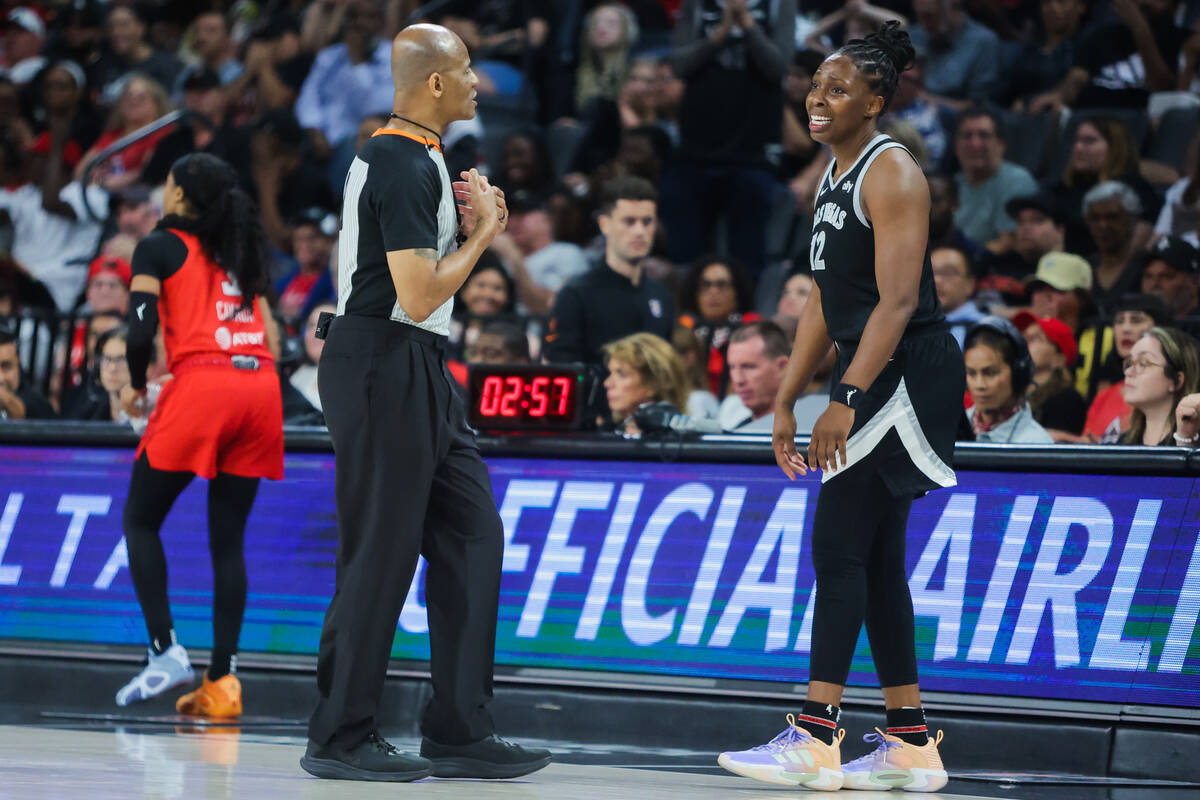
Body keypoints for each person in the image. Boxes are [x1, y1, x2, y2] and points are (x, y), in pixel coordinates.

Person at [301, 24, 551, 783]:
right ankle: (339, 735)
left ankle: (459, 728)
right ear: (435, 83)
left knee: (474, 533)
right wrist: (486, 240)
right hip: (382, 357)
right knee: (380, 550)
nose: (481, 83)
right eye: (468, 70)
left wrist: (471, 231)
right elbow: (417, 293)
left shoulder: (419, 159)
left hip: (416, 364)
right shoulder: (401, 160)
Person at [718, 24, 959, 792]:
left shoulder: (892, 172)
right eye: (815, 86)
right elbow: (826, 296)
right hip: (870, 369)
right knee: (879, 558)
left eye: (839, 89)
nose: (818, 100)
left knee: (840, 546)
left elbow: (893, 301)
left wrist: (844, 398)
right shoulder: (835, 171)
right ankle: (911, 742)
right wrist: (789, 396)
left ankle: (817, 733)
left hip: (903, 370)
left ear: (878, 101)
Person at [113, 153, 284, 720]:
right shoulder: (237, 248)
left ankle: (163, 650)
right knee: (227, 539)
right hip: (260, 388)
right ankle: (223, 681)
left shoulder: (159, 245)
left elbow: (139, 334)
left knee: (140, 519)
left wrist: (138, 387)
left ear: (181, 194)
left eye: (166, 184)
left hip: (204, 384)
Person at [544, 176, 673, 366]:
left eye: (647, 222)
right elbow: (562, 367)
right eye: (629, 221)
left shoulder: (661, 296)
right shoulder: (575, 295)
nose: (639, 231)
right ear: (604, 224)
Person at [952, 106, 1038, 252]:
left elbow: (1007, 244)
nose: (975, 144)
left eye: (984, 135)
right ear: (956, 146)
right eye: (967, 136)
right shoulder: (954, 183)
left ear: (1001, 144)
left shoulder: (1016, 180)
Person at [1083, 293, 1166, 442]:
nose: (1125, 329)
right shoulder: (1104, 396)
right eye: (1119, 321)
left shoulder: (1164, 393)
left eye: (1136, 320)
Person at [677, 255, 761, 397]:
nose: (713, 292)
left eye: (721, 285)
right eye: (706, 285)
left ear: (737, 291)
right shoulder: (684, 326)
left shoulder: (753, 326)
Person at [961, 317, 1053, 443]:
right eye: (971, 373)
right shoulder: (947, 429)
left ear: (1018, 375)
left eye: (990, 373)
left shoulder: (1036, 442)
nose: (979, 385)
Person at [1013, 310, 1087, 439]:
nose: (1024, 343)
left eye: (1036, 338)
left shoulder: (1066, 400)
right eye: (1023, 336)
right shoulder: (1009, 391)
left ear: (1059, 359)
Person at [1119, 327, 1200, 446]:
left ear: (1177, 380)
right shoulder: (1123, 442)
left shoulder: (1195, 439)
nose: (1128, 372)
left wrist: (1185, 440)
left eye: (1143, 363)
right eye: (1130, 363)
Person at [601, 331, 690, 434]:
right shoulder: (604, 432)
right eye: (610, 373)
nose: (607, 383)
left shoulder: (678, 439)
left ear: (654, 383)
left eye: (622, 375)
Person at [932, 245, 986, 348]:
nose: (936, 280)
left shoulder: (988, 329)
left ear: (970, 285)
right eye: (930, 273)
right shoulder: (908, 327)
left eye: (947, 273)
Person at [0, 328, 55, 419]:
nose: (1, 378)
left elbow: (21, 411)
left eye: (7, 367)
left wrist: (7, 401)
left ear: (18, 364)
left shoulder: (37, 403)